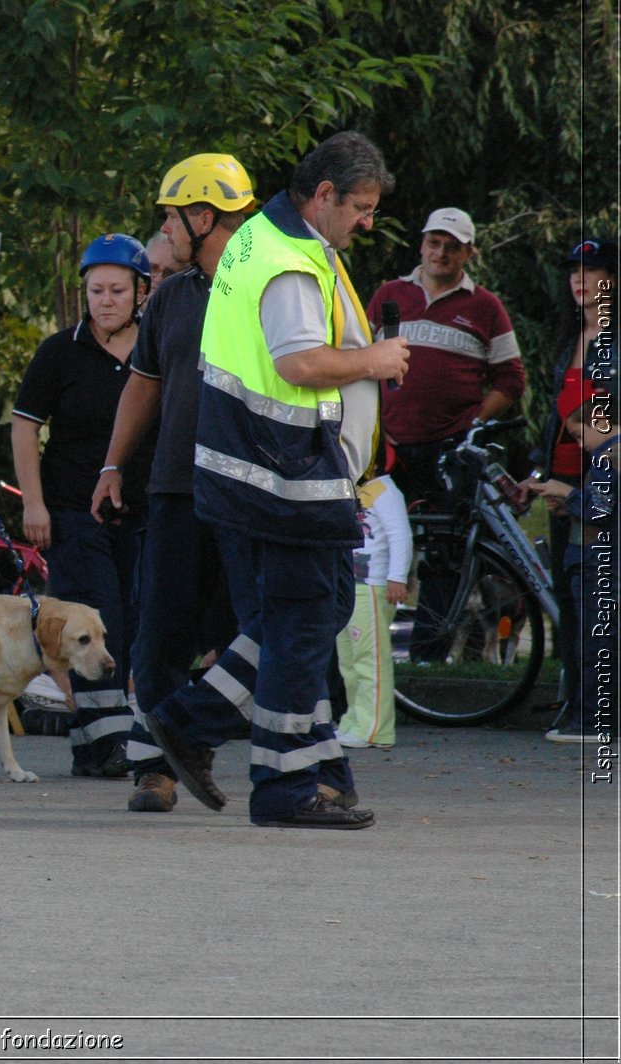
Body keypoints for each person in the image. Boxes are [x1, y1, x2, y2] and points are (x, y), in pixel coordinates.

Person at [143, 131, 410, 829]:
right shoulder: (289, 261)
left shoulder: (259, 242)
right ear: (322, 195)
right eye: (361, 205)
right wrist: (376, 359)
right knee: (302, 621)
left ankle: (310, 762)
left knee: (296, 619)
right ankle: (278, 779)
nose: (368, 221)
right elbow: (299, 364)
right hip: (285, 469)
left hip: (258, 467)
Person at [90, 152, 256, 812]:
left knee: (247, 629)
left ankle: (197, 739)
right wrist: (111, 465)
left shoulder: (268, 290)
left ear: (203, 215)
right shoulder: (172, 300)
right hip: (174, 488)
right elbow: (144, 384)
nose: (163, 230)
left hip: (247, 490)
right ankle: (154, 769)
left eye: (170, 216)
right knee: (160, 629)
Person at [12, 233, 151, 777]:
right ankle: (108, 740)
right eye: (96, 290)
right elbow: (25, 428)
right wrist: (35, 506)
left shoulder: (157, 346)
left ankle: (94, 747)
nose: (106, 300)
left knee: (136, 623)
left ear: (141, 292)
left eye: (118, 289)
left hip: (142, 511)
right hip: (73, 509)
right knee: (97, 621)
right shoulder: (59, 350)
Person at [518, 237, 618, 719]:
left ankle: (592, 713)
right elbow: (561, 417)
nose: (577, 278)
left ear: (612, 280)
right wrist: (536, 473)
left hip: (600, 487)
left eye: (590, 269)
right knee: (569, 596)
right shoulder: (572, 337)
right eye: (573, 270)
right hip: (561, 478)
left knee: (596, 599)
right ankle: (574, 700)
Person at [370, 208, 524, 502]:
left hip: (452, 450)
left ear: (469, 253)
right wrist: (373, 427)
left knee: (452, 539)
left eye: (452, 247)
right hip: (388, 449)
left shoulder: (486, 307)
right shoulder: (388, 296)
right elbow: (360, 364)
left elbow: (512, 380)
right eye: (434, 243)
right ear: (422, 245)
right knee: (388, 541)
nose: (441, 253)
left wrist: (474, 424)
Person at [526, 386, 617, 743]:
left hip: (597, 563)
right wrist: (570, 506)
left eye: (580, 435)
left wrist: (567, 494)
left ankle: (592, 723)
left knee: (593, 645)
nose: (580, 445)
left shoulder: (608, 457)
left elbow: (600, 510)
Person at [334, 467, 412, 749]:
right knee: (349, 663)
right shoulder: (347, 487)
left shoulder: (383, 489)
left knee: (371, 660)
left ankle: (375, 729)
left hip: (372, 584)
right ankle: (354, 721)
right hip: (347, 584)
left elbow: (400, 535)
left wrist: (397, 577)